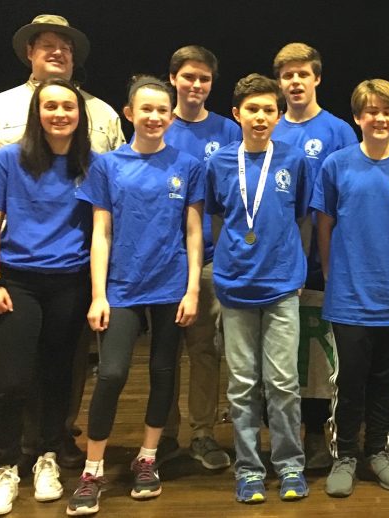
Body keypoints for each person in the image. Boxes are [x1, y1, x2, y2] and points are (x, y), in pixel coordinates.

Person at [0, 13, 124, 474]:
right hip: (16, 264)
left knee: (66, 364)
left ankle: (55, 439)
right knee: (15, 365)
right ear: (29, 52)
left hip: (75, 266)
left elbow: (117, 184)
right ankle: (19, 450)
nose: (56, 52)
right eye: (45, 44)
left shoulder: (102, 112)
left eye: (65, 47)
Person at [66, 76, 204, 515]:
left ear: (171, 115)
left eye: (162, 110)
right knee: (111, 374)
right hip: (122, 287)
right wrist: (98, 295)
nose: (155, 117)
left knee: (164, 372)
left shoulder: (188, 164)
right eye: (146, 109)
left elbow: (194, 231)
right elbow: (101, 233)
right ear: (129, 113)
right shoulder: (108, 166)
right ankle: (93, 469)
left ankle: (148, 458)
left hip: (171, 286)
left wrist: (193, 287)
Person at [0, 78, 94, 517]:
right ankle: (4, 468)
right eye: (50, 106)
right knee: (12, 381)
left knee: (58, 376)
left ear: (80, 115)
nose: (60, 113)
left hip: (72, 283)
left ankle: (48, 459)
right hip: (17, 282)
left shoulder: (91, 165)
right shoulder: (8, 160)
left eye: (68, 107)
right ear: (37, 113)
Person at [312, 79, 389, 497]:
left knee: (386, 380)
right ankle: (345, 454)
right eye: (371, 112)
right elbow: (323, 225)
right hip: (348, 295)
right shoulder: (337, 164)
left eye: (387, 112)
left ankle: (377, 451)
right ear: (358, 117)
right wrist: (331, 271)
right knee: (350, 381)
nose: (379, 119)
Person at [205, 73, 311, 503]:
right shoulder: (219, 163)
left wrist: (297, 268)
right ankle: (249, 469)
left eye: (269, 109)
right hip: (234, 287)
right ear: (237, 115)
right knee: (242, 385)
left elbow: (301, 217)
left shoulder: (294, 160)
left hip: (283, 285)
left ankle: (289, 466)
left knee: (284, 383)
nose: (262, 117)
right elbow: (217, 219)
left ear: (278, 114)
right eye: (253, 109)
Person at [271, 43, 358, 469]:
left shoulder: (339, 130)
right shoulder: (270, 127)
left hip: (328, 258)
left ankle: (324, 433)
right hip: (283, 260)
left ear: (317, 78)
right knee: (293, 354)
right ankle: (294, 433)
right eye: (287, 76)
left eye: (302, 74)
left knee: (325, 351)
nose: (295, 82)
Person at [158, 44, 242, 470]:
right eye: (188, 76)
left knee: (205, 351)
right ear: (173, 78)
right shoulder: (154, 122)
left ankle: (203, 434)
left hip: (209, 259)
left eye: (204, 79)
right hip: (159, 260)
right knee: (162, 351)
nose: (196, 85)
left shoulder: (229, 132)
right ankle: (162, 435)